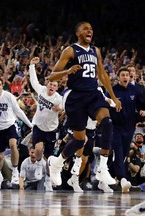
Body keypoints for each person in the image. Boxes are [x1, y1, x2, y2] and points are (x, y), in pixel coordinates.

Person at [47, 21, 122, 187]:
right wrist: (67, 71)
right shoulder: (70, 50)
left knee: (107, 122)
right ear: (78, 33)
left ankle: (102, 168)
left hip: (93, 94)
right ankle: (57, 163)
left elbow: (102, 74)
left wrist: (114, 97)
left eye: (91, 29)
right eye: (86, 28)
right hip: (76, 97)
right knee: (80, 140)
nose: (90, 30)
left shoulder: (96, 51)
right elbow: (51, 77)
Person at [106, 67, 145, 192]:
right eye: (122, 75)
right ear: (118, 78)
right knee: (118, 151)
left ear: (130, 77)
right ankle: (122, 179)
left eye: (127, 75)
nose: (125, 77)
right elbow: (106, 105)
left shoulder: (135, 90)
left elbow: (141, 105)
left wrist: (142, 110)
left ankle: (111, 178)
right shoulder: (112, 91)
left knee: (123, 154)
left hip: (129, 127)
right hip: (115, 126)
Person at [29, 57, 62, 181]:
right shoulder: (42, 90)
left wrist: (59, 109)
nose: (51, 86)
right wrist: (31, 66)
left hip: (51, 129)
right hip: (38, 125)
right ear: (47, 84)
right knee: (38, 149)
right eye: (50, 84)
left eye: (54, 85)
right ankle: (38, 165)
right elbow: (33, 82)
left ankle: (48, 179)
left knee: (49, 158)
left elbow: (65, 107)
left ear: (56, 88)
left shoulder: (58, 98)